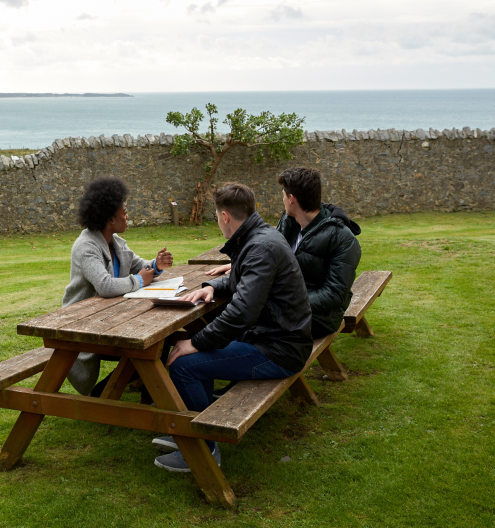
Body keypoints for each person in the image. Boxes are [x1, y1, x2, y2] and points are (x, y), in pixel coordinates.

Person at [153, 183, 312, 473]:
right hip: (276, 339)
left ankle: (203, 448)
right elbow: (249, 283)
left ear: (225, 216)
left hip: (278, 350)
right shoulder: (258, 238)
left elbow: (241, 313)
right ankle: (192, 432)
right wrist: (213, 286)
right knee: (191, 353)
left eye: (216, 216)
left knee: (183, 363)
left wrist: (196, 342)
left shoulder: (259, 246)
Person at [205, 168, 362, 398]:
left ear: (291, 199)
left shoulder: (341, 238)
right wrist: (224, 278)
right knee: (235, 315)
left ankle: (225, 392)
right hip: (287, 309)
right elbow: (269, 265)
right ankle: (225, 386)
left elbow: (335, 294)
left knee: (246, 320)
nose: (282, 198)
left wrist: (286, 303)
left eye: (282, 193)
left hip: (318, 317)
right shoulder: (287, 223)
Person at [63, 177, 173, 396]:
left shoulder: (117, 243)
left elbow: (140, 266)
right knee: (148, 342)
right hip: (83, 324)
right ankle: (103, 394)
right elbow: (104, 286)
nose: (127, 214)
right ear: (111, 218)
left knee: (161, 336)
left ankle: (147, 394)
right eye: (124, 210)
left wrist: (155, 265)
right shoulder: (86, 247)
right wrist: (140, 281)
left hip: (111, 317)